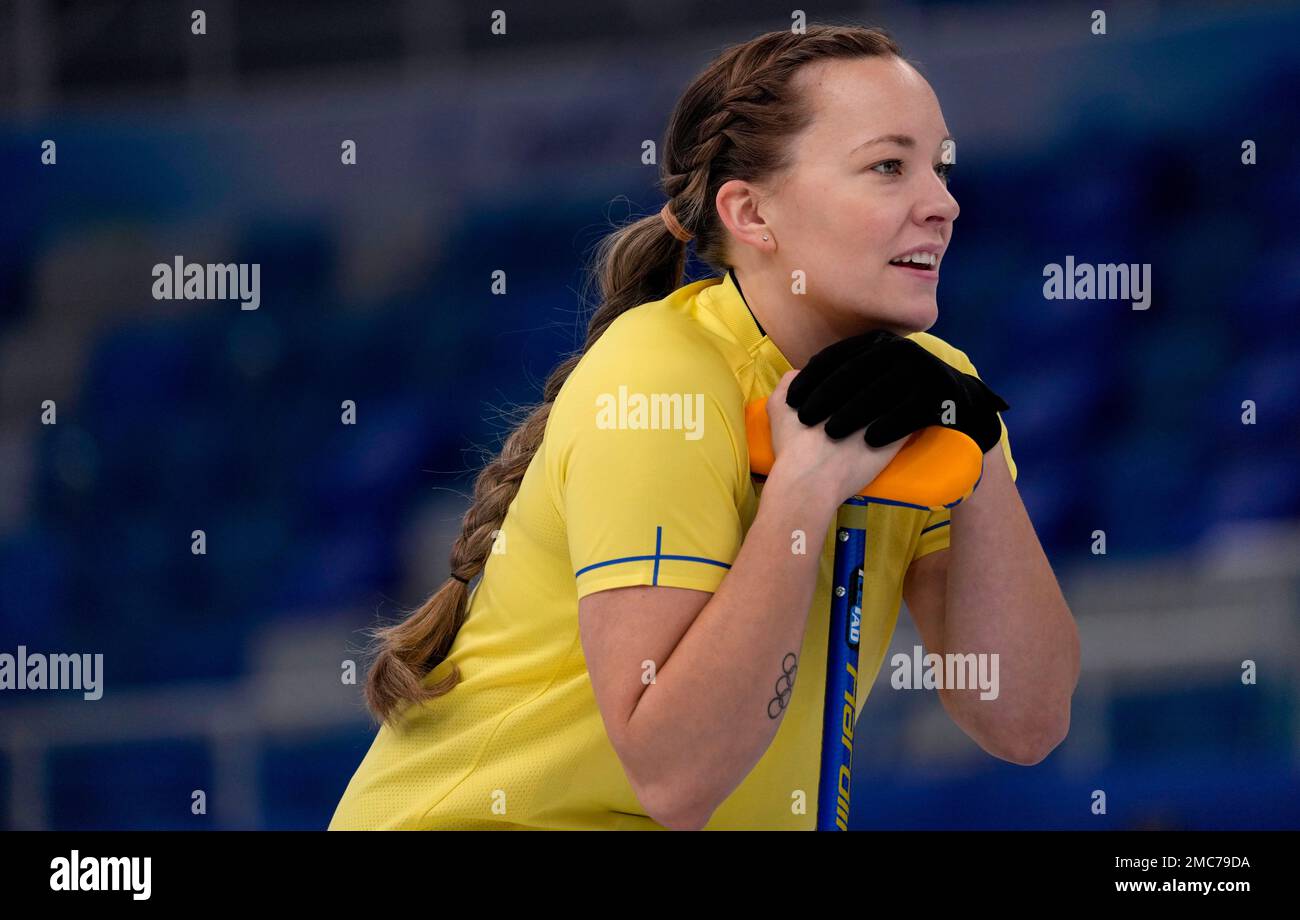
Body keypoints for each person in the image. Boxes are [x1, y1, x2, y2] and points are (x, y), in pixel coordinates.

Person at [329, 23, 1078, 831]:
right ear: (752, 213)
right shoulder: (660, 383)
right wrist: (804, 488)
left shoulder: (936, 383)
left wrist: (976, 464)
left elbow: (1022, 722)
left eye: (941, 166)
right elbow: (676, 777)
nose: (942, 203)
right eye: (888, 167)